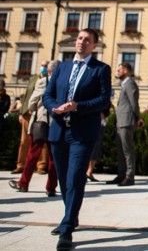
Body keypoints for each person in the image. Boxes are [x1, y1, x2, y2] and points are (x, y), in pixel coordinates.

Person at [43, 28, 112, 251]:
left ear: (94, 45)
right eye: (80, 38)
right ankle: (70, 217)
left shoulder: (100, 69)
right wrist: (55, 108)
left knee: (75, 178)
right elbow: (48, 95)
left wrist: (78, 106)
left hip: (82, 133)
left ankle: (67, 230)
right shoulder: (62, 67)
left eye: (87, 40)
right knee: (63, 178)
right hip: (59, 131)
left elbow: (103, 100)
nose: (82, 42)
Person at [8, 60, 59, 196]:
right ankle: (51, 187)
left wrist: (34, 111)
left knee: (33, 153)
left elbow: (32, 101)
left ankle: (23, 183)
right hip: (56, 123)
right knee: (53, 157)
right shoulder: (63, 83)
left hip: (41, 121)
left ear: (49, 70)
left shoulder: (44, 81)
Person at [107, 62, 142, 187]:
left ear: (126, 70)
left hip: (126, 121)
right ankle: (121, 175)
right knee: (121, 150)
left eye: (120, 69)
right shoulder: (124, 84)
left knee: (127, 150)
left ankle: (129, 176)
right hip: (121, 120)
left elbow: (133, 102)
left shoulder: (130, 83)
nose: (118, 72)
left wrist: (138, 117)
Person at [12, 61, 47, 174]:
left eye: (45, 66)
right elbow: (27, 97)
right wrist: (22, 113)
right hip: (28, 113)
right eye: (42, 65)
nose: (43, 68)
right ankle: (20, 165)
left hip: (40, 113)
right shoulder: (33, 79)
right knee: (24, 141)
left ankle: (41, 166)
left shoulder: (50, 80)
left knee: (42, 141)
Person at [86, 104, 112, 182]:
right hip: (98, 119)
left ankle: (88, 171)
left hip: (92, 118)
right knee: (95, 146)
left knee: (93, 146)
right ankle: (89, 171)